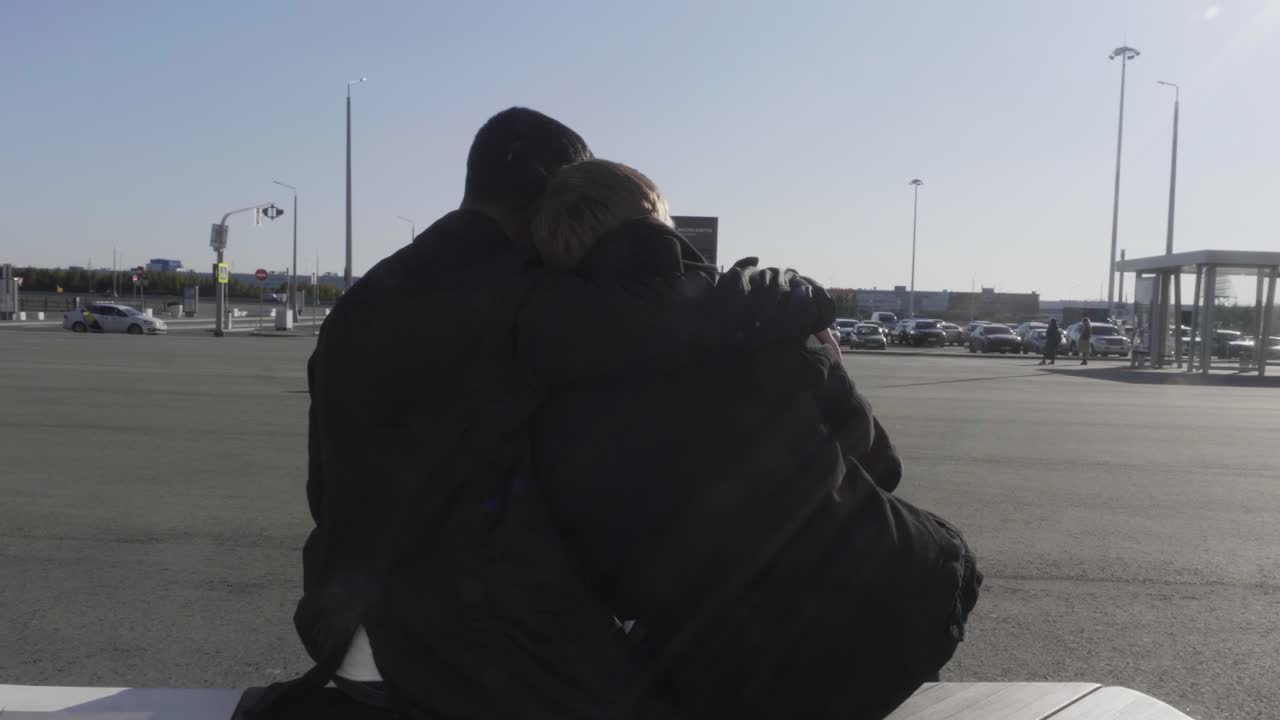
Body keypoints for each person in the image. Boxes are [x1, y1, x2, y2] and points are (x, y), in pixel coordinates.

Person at [239, 108, 835, 720]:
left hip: (348, 623)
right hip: (458, 645)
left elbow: (324, 484)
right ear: (553, 194)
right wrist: (798, 291)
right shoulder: (513, 293)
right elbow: (685, 313)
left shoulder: (371, 296)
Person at [527, 159, 980, 720]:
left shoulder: (534, 360)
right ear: (658, 223)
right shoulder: (761, 316)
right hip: (895, 603)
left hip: (715, 661)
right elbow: (882, 467)